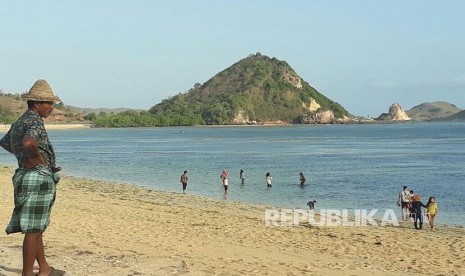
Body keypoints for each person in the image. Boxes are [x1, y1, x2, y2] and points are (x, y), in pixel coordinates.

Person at [0, 79, 63, 276]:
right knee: (34, 230)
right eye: (48, 103)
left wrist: (23, 158)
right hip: (36, 176)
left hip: (24, 175)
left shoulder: (20, 121)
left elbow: (4, 142)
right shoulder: (35, 121)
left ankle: (44, 268)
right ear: (36, 103)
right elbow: (28, 143)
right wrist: (39, 161)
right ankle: (27, 274)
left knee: (36, 226)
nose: (51, 108)